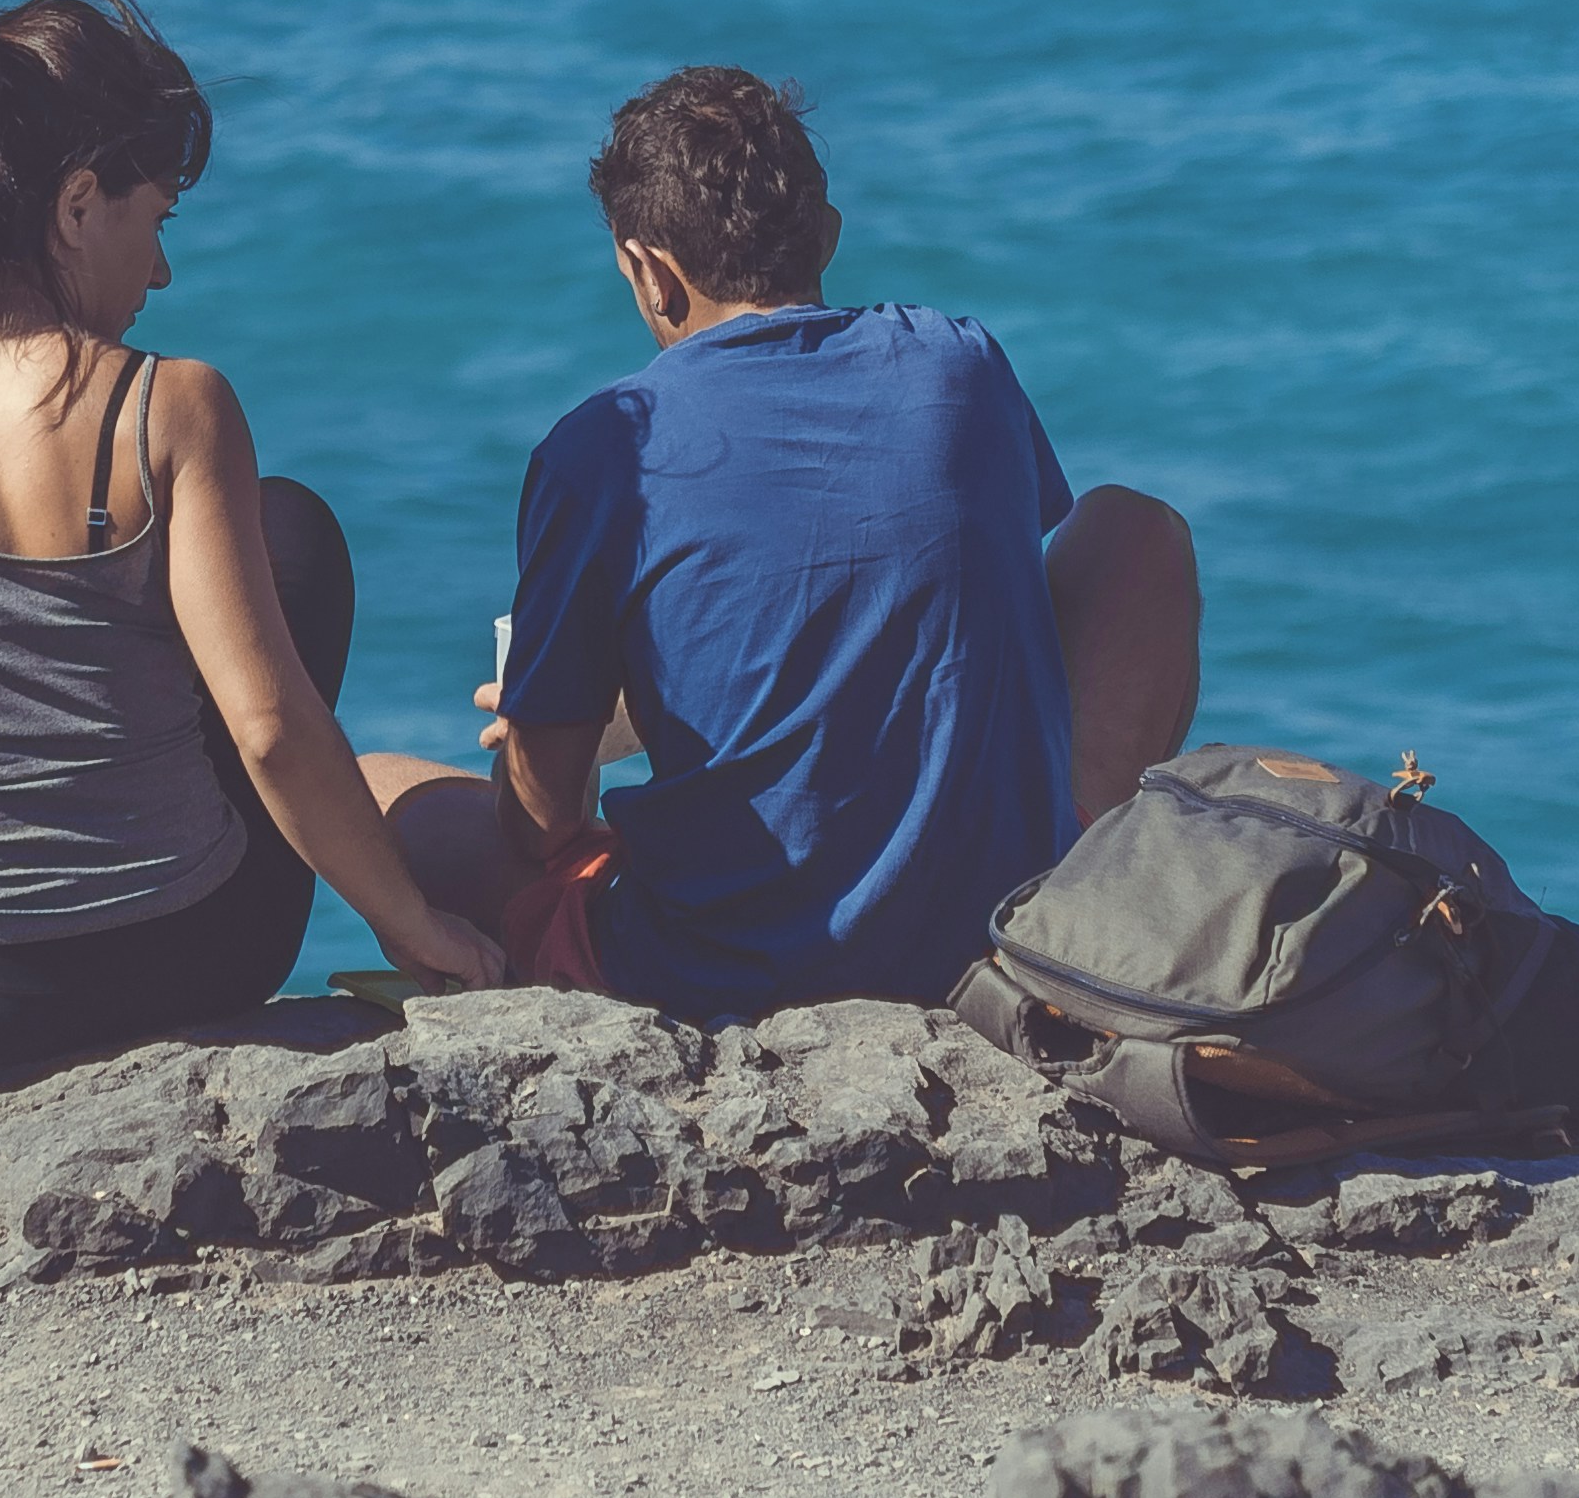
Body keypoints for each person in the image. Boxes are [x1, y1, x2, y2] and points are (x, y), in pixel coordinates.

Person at [0, 0, 506, 1084]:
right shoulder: (171, 404)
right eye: (156, 218)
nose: (164, 267)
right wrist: (412, 924)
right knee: (293, 536)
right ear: (79, 202)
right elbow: (270, 731)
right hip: (185, 957)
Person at [367, 65, 1198, 1018]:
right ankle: (1081, 875)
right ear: (828, 236)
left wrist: (568, 732)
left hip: (724, 973)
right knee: (1138, 527)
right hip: (999, 939)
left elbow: (543, 825)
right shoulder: (961, 364)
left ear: (650, 272)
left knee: (379, 786)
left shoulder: (602, 448)